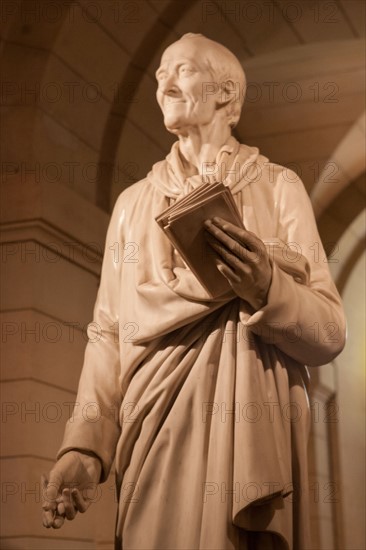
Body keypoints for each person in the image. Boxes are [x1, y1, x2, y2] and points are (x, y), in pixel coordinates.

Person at [42, 33, 346, 549]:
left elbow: (329, 333)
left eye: (179, 70)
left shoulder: (278, 187)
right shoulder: (133, 204)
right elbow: (108, 332)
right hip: (155, 427)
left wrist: (268, 287)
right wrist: (86, 445)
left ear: (226, 92)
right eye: (159, 75)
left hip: (250, 432)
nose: (162, 83)